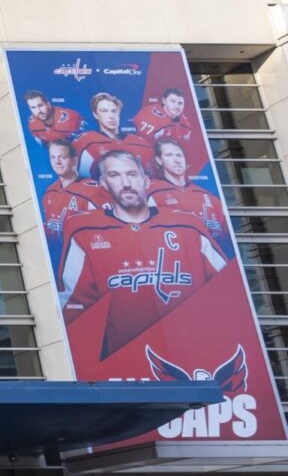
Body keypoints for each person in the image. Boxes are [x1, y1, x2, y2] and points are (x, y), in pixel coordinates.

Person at [60, 150, 227, 357]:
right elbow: (73, 306)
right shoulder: (84, 231)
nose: (126, 183)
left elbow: (226, 291)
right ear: (103, 183)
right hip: (125, 359)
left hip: (195, 353)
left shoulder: (188, 225)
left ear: (146, 180)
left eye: (132, 174)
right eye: (115, 176)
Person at [147, 138, 232, 257]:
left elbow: (229, 238)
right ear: (159, 160)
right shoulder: (152, 193)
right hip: (178, 263)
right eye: (169, 155)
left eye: (179, 155)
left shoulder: (210, 197)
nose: (176, 160)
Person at [40, 139, 109, 254]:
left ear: (74, 160)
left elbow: (107, 231)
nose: (57, 162)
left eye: (62, 157)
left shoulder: (93, 190)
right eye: (53, 157)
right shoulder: (50, 191)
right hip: (54, 260)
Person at [71, 92, 154, 177]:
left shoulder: (140, 143)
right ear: (95, 115)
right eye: (104, 111)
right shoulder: (86, 141)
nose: (111, 116)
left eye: (114, 111)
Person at [134, 87, 199, 150]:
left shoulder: (184, 121)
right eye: (172, 101)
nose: (177, 106)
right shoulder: (154, 119)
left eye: (180, 103)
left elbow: (187, 144)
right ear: (164, 101)